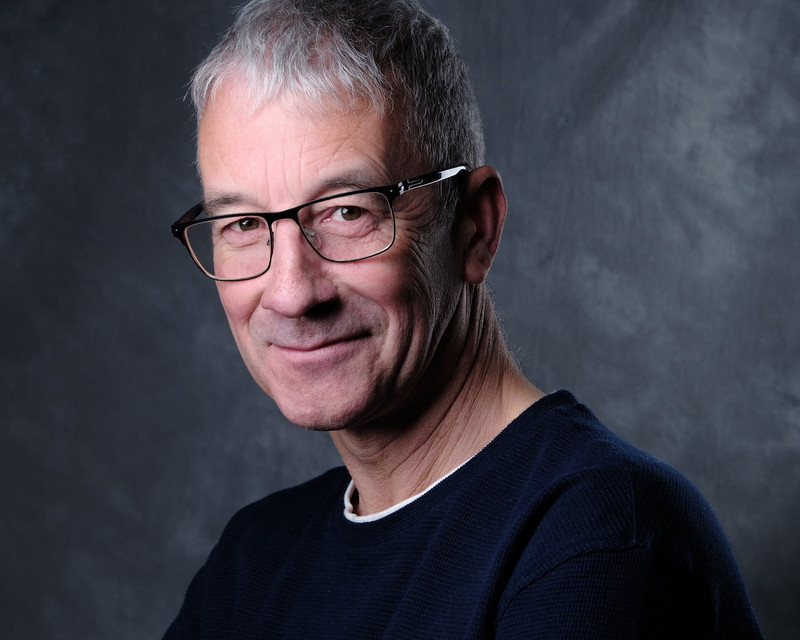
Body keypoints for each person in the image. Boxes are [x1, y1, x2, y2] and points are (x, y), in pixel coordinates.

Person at [164, 0, 763, 637]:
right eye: (244, 225)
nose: (290, 294)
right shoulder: (253, 564)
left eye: (348, 212)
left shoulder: (602, 537)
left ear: (475, 227)